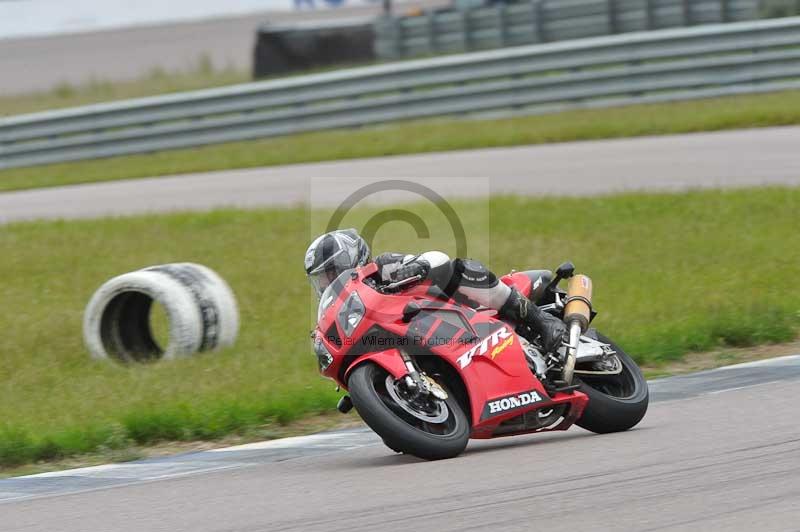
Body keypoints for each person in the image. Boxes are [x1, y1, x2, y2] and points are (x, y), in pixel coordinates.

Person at [304, 229, 566, 353]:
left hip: (461, 313)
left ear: (352, 258)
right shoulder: (346, 308)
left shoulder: (381, 267)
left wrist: (415, 267)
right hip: (428, 338)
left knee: (459, 268)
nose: (328, 282)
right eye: (321, 279)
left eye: (331, 272)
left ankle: (539, 320)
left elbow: (436, 259)